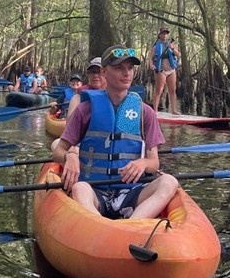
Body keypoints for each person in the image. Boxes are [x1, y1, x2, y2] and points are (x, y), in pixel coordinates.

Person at [53, 45, 178, 220]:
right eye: (119, 68)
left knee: (169, 182)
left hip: (131, 191)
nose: (126, 73)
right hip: (94, 189)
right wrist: (70, 156)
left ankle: (131, 226)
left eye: (129, 68)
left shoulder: (144, 112)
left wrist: (143, 163)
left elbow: (154, 162)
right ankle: (99, 226)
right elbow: (59, 150)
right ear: (104, 72)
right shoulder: (86, 109)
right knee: (79, 189)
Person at [149, 27, 181, 113]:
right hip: (160, 70)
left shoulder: (171, 45)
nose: (165, 35)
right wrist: (151, 65)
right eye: (163, 33)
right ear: (159, 35)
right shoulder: (156, 46)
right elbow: (150, 58)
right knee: (159, 90)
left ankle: (173, 110)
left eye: (166, 33)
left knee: (173, 90)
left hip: (171, 70)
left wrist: (173, 48)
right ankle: (154, 111)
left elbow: (178, 55)